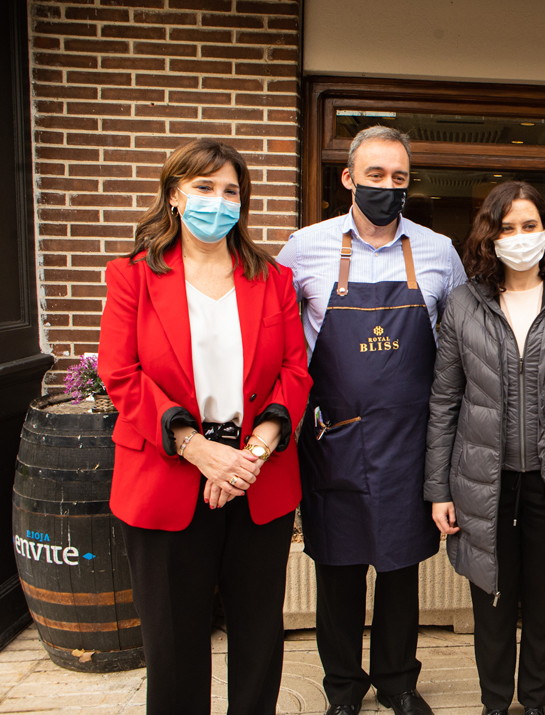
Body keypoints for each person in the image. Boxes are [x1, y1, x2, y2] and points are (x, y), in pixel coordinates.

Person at [97, 138, 312, 715]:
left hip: (256, 477)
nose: (219, 201)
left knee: (259, 637)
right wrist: (196, 449)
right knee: (173, 644)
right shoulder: (132, 277)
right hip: (165, 474)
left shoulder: (273, 278)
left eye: (231, 191)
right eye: (204, 187)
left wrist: (252, 455)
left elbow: (295, 371)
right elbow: (120, 374)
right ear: (175, 194)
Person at [277, 126, 466, 715]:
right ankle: (342, 690)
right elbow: (277, 339)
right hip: (334, 440)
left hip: (411, 443)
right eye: (376, 175)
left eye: (399, 177)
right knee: (337, 572)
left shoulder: (438, 251)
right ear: (349, 178)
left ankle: (398, 682)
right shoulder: (304, 248)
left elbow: (462, 342)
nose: (388, 186)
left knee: (400, 570)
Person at [425, 181, 545, 715]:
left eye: (529, 225)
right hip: (483, 480)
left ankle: (535, 701)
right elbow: (444, 400)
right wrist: (439, 489)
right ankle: (494, 702)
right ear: (490, 236)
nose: (519, 236)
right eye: (506, 227)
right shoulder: (464, 303)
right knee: (490, 597)